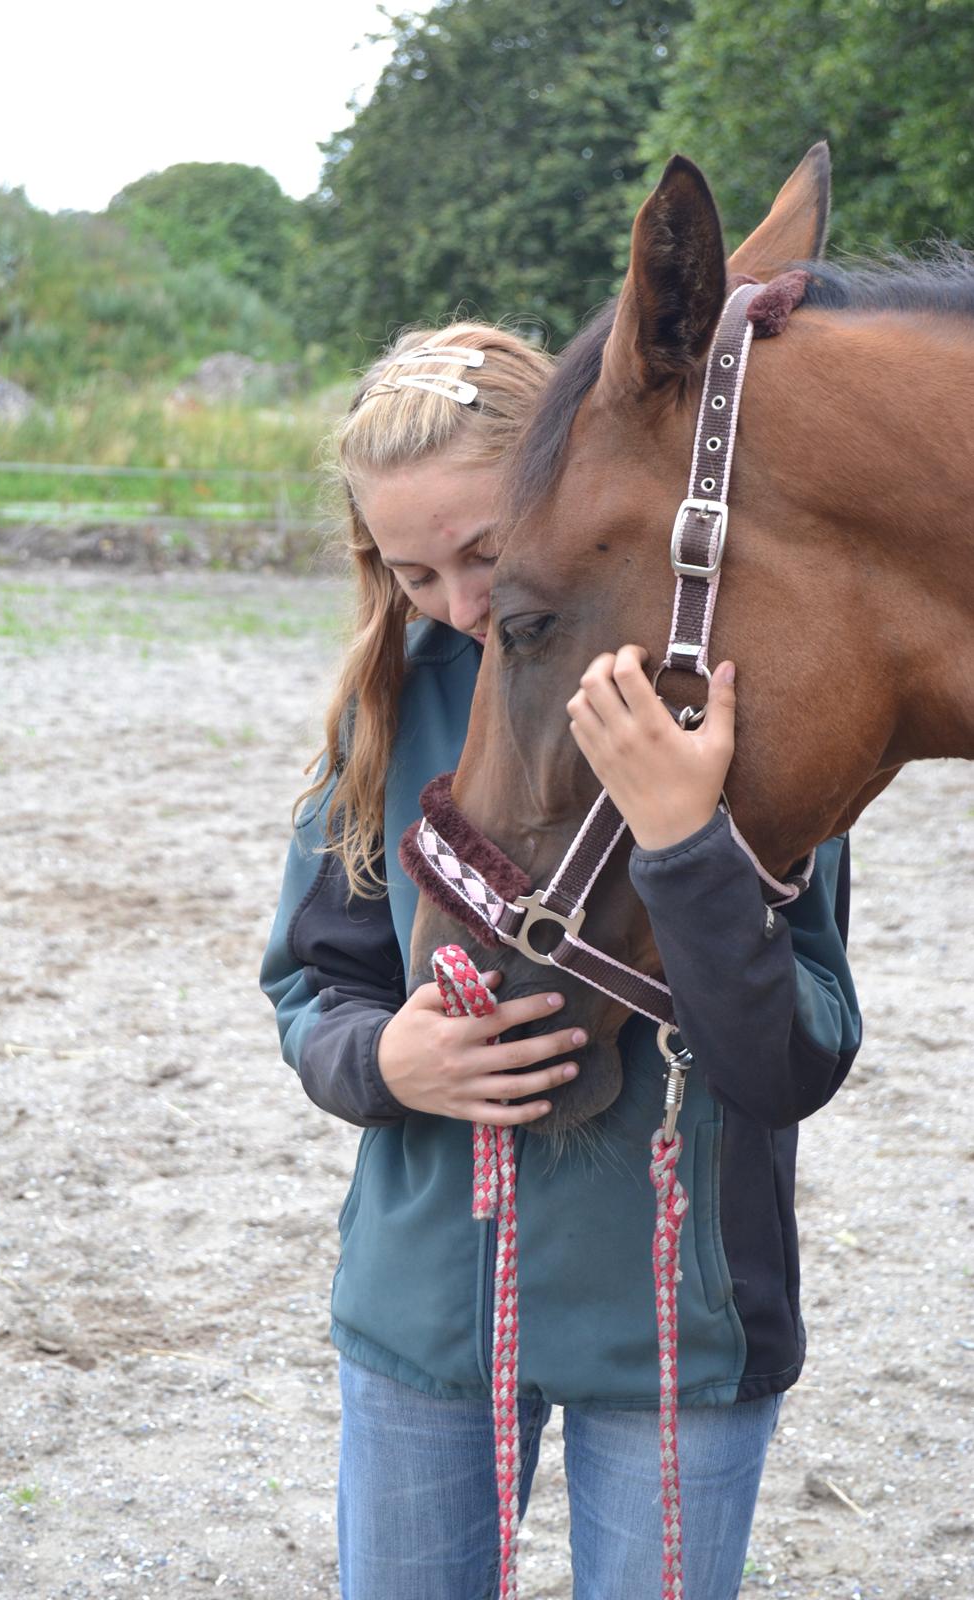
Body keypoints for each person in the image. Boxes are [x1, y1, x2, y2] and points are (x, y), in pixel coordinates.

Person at [261, 322, 861, 1600]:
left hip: (681, 1325)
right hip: (425, 1306)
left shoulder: (743, 715)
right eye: (412, 571)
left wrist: (686, 840)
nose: (460, 606)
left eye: (483, 555)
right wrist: (386, 1058)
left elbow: (795, 1055)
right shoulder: (377, 711)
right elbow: (309, 986)